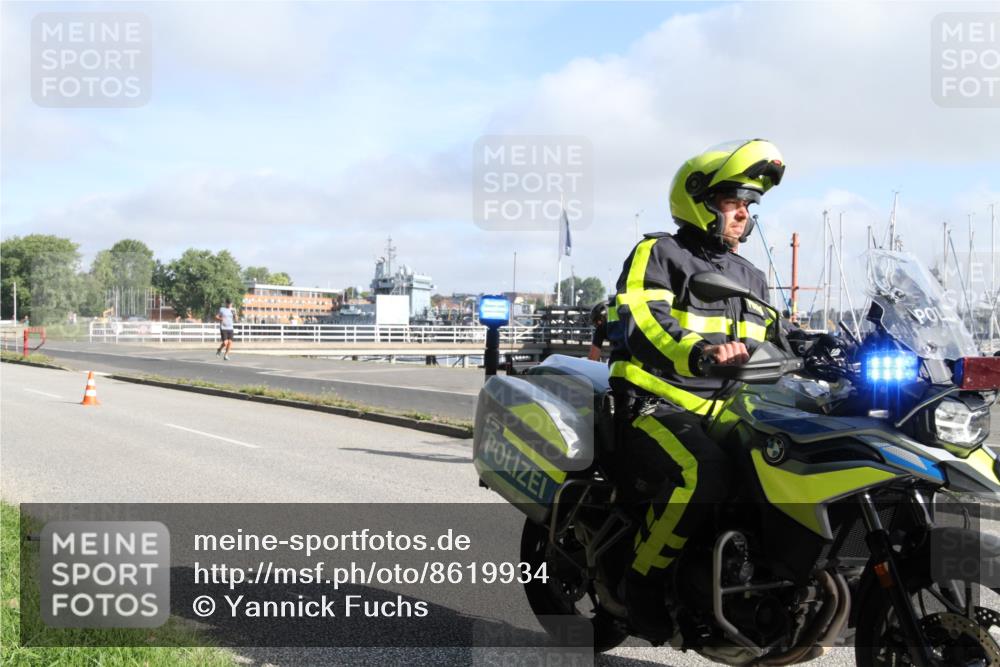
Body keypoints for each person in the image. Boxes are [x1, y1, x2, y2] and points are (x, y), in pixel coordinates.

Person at [607, 139, 785, 641]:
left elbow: (776, 338)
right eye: (733, 202)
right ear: (700, 200)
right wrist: (699, 352)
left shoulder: (750, 276)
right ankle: (642, 582)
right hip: (655, 399)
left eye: (749, 206)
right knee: (703, 472)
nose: (743, 215)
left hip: (727, 408)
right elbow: (644, 318)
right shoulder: (662, 252)